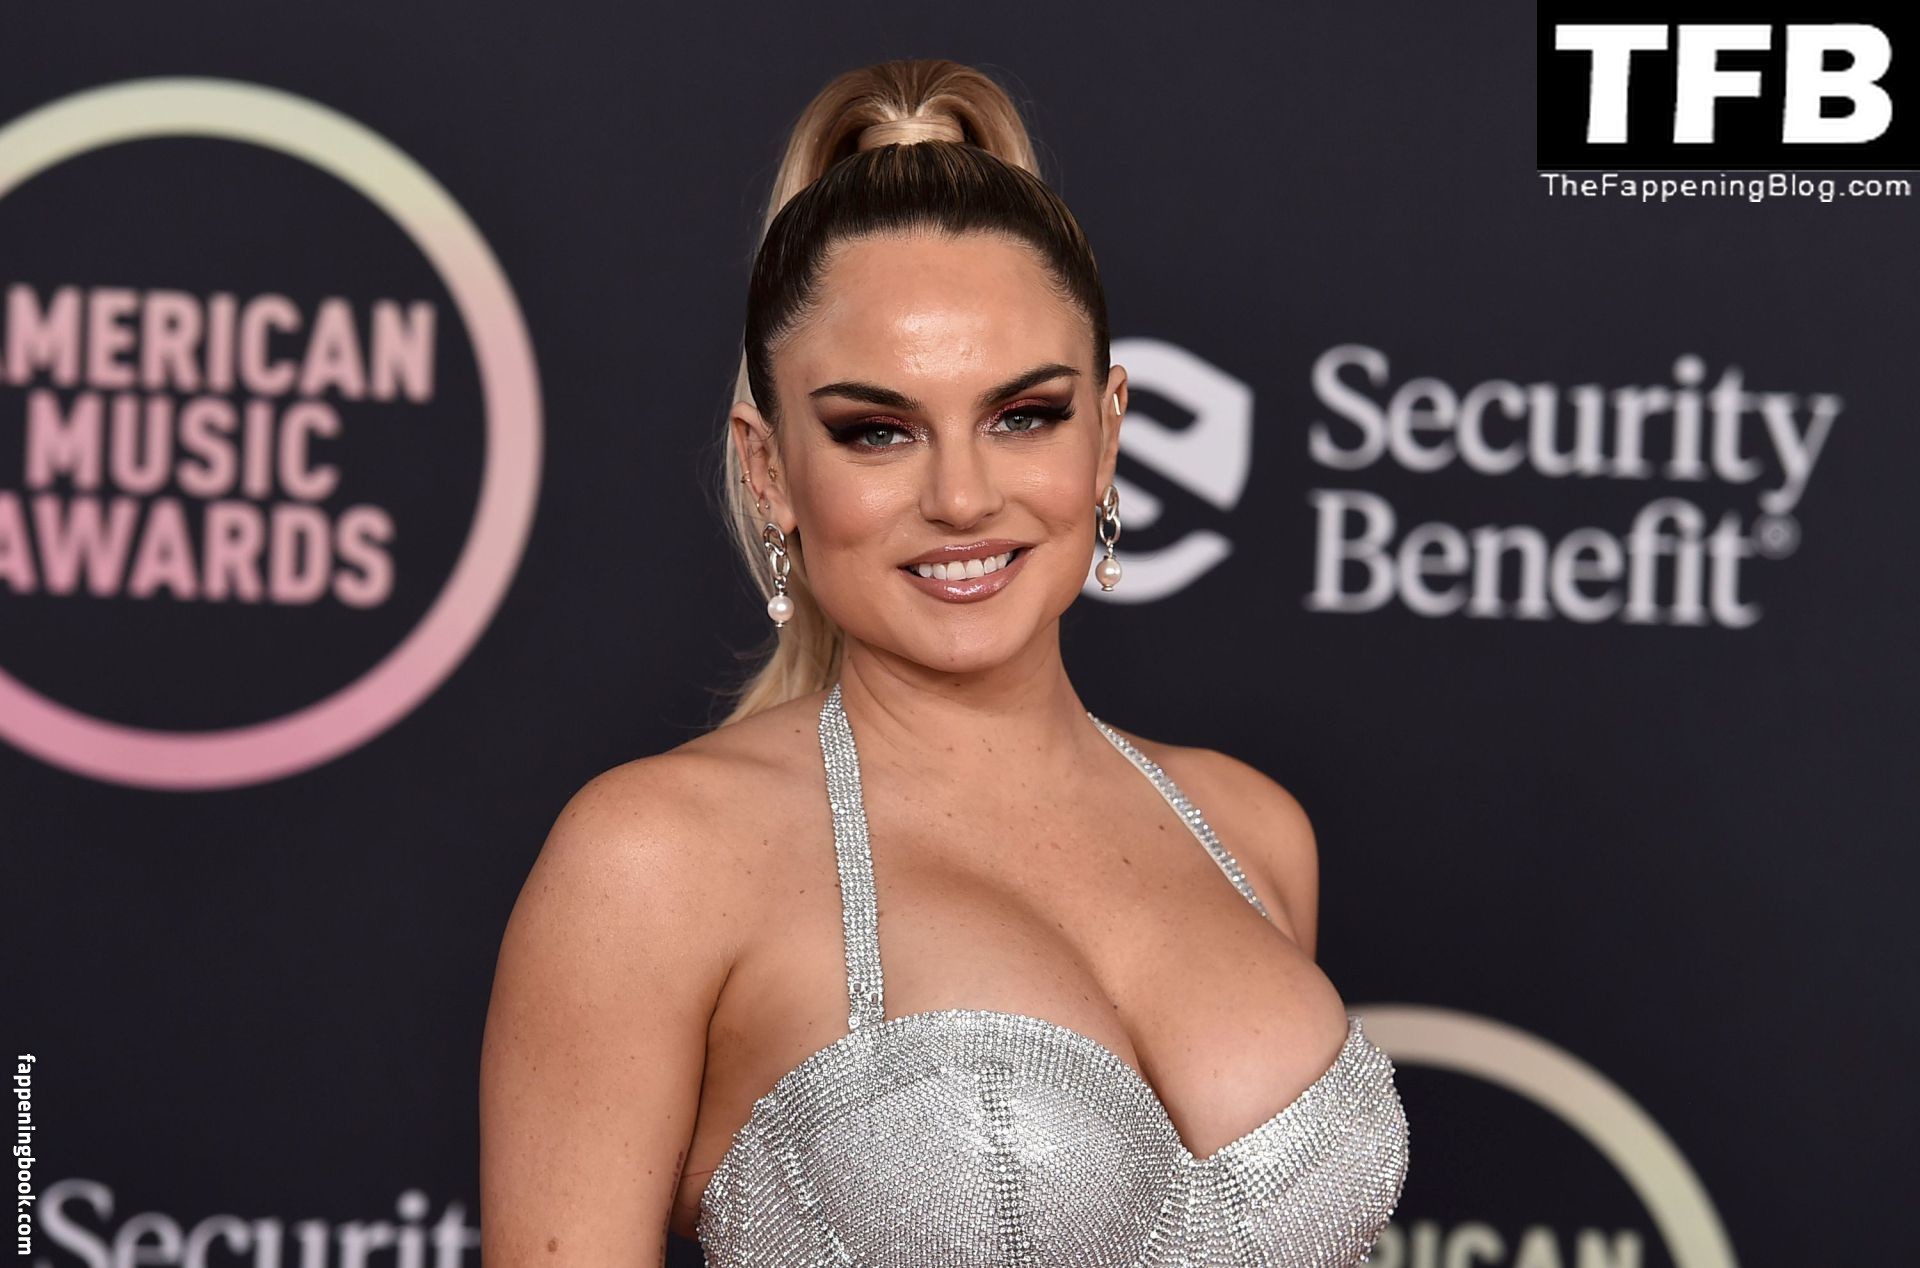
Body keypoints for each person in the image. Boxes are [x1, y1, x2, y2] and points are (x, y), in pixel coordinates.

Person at [479, 57, 1408, 1267]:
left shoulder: (1256, 833)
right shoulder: (653, 862)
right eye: (877, 430)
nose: (963, 496)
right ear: (769, 469)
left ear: (1108, 431)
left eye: (1025, 414)